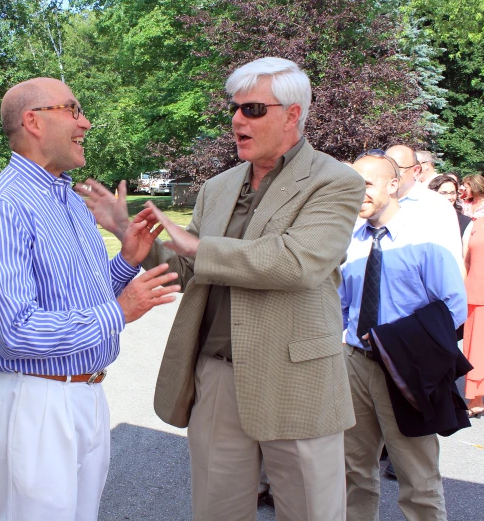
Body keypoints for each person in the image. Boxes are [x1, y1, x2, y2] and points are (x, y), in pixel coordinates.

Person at [79, 57, 365, 520]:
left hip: (296, 380)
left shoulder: (336, 181)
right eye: (234, 108)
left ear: (292, 114)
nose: (236, 120)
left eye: (252, 109)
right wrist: (125, 232)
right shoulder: (218, 186)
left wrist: (199, 244)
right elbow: (189, 272)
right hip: (217, 377)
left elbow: (299, 262)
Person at [0, 77, 180, 521]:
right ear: (33, 121)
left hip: (86, 393)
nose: (87, 122)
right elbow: (17, 331)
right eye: (73, 110)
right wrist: (119, 312)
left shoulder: (69, 199)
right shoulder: (1, 205)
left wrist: (126, 262)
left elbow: (79, 295)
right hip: (38, 404)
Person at [340, 151, 466, 521]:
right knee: (352, 472)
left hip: (406, 369)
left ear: (394, 185)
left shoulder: (424, 241)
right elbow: (341, 305)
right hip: (355, 366)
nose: (357, 193)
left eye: (366, 184)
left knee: (418, 479)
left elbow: (452, 308)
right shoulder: (351, 241)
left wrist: (408, 351)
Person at [386, 145, 465, 270]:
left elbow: (453, 263)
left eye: (398, 168)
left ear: (416, 170)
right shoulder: (376, 203)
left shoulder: (436, 205)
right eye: (386, 167)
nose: (390, 173)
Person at [463, 217, 484, 417]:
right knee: (476, 348)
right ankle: (476, 396)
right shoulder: (475, 223)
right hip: (476, 292)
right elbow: (465, 259)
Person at [428, 173, 472, 259]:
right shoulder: (423, 217)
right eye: (443, 193)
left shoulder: (464, 221)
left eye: (452, 193)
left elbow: (464, 257)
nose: (449, 197)